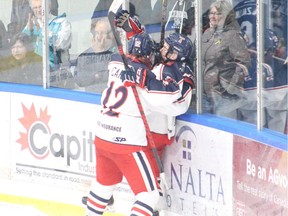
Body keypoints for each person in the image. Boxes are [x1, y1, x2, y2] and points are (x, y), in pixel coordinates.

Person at [86, 30, 194, 216]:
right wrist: (149, 80)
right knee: (149, 196)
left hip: (102, 134)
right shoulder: (144, 76)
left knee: (103, 185)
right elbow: (169, 95)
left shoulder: (115, 61)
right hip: (126, 141)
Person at [201, 0, 251, 119]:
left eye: (217, 13)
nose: (212, 16)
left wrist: (230, 88)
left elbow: (244, 63)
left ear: (226, 16)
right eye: (211, 13)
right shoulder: (207, 33)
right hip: (204, 95)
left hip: (223, 98)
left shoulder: (233, 35)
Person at [22, 0, 71, 72]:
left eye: (40, 7)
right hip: (32, 69)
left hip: (54, 71)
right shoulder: (33, 23)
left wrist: (42, 30)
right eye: (35, 8)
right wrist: (28, 31)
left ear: (48, 6)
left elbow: (62, 44)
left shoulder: (62, 22)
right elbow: (22, 44)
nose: (38, 10)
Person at [73, 18, 115, 93]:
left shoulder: (117, 54)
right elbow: (78, 79)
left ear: (111, 35)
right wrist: (96, 75)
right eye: (97, 33)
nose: (98, 37)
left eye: (102, 33)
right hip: (91, 99)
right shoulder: (85, 55)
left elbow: (113, 76)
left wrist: (100, 52)